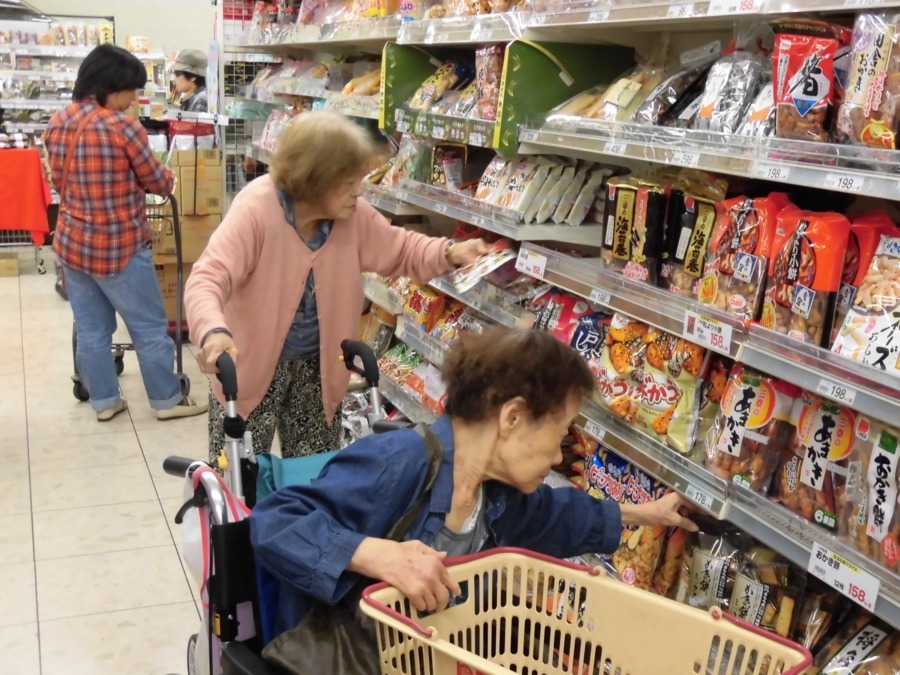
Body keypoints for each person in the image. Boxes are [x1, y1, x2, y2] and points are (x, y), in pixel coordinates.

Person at [250, 328, 698, 640]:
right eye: (560, 433)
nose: (560, 456)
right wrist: (377, 555)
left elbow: (556, 515)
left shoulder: (496, 494)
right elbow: (275, 521)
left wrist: (646, 514)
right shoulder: (401, 462)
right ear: (513, 417)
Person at [185, 111, 488, 461]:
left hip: (319, 369)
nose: (360, 190)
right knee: (238, 479)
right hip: (248, 369)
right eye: (349, 182)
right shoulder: (256, 209)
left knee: (315, 479)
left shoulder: (352, 217)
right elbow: (208, 278)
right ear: (314, 180)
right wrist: (212, 331)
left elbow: (400, 248)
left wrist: (450, 252)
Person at [45, 44, 208, 422]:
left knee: (91, 329)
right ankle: (166, 400)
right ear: (109, 86)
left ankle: (104, 402)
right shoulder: (123, 127)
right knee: (149, 326)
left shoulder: (59, 120)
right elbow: (157, 181)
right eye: (130, 91)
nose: (134, 100)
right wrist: (167, 178)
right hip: (118, 246)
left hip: (72, 244)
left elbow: (59, 178)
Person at [172, 48, 208, 113]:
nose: (175, 79)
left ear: (192, 76)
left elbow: (195, 123)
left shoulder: (201, 99)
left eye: (177, 73)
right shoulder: (191, 97)